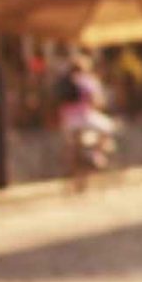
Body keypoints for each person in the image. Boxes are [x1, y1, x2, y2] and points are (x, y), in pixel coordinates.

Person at [55, 51, 114, 191]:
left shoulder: (64, 81)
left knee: (71, 146)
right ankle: (97, 153)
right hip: (85, 118)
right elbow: (97, 101)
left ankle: (69, 167)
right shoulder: (88, 81)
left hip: (67, 120)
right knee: (108, 127)